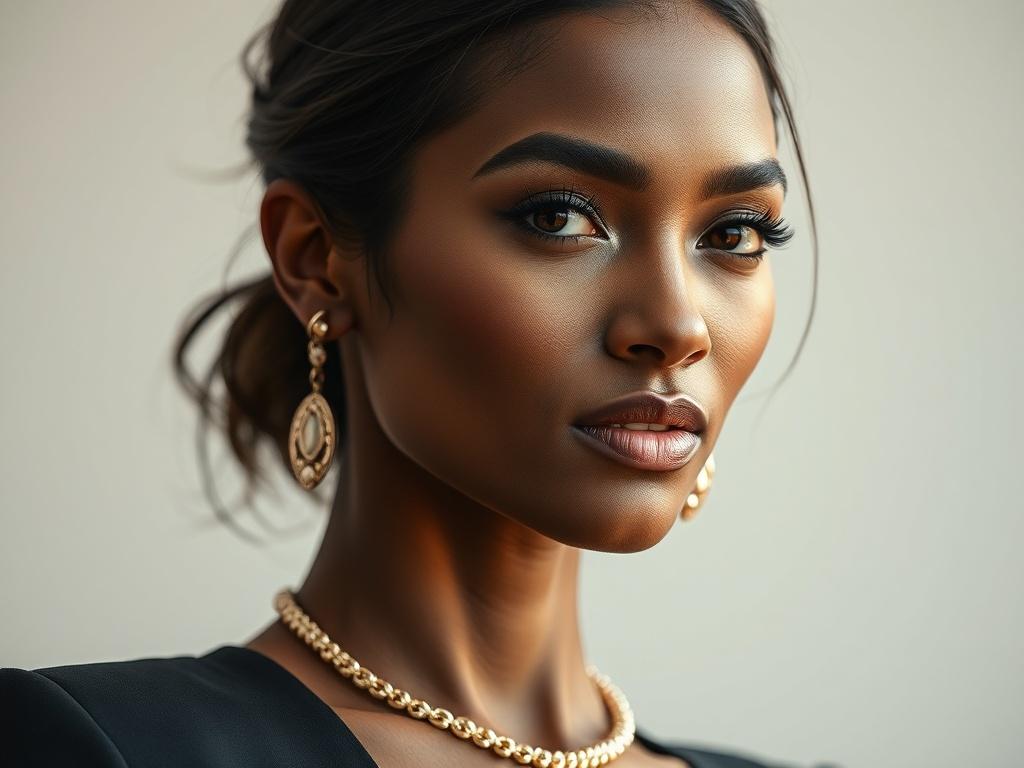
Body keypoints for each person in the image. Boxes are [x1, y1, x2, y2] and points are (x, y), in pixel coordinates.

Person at [1, 0, 818, 765]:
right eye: (558, 217)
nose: (678, 326)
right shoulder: (90, 745)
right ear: (316, 257)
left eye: (734, 232)